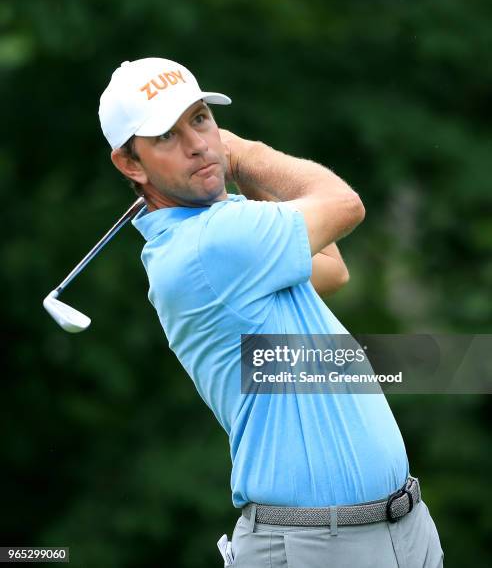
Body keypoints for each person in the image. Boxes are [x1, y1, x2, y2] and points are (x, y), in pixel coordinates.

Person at [99, 57, 444, 567]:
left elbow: (329, 269)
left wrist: (236, 178)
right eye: (166, 137)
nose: (197, 143)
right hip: (317, 546)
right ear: (131, 164)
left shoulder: (228, 221)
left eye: (200, 119)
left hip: (402, 528)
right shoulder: (207, 245)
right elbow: (344, 204)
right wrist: (246, 155)